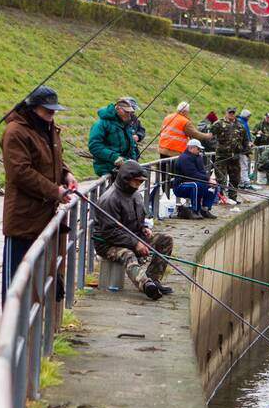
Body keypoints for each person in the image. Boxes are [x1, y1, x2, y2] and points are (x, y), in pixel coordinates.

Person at [0, 85, 77, 302]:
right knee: (15, 280)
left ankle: (30, 329)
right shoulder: (15, 132)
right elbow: (20, 172)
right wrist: (56, 191)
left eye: (54, 111)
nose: (52, 115)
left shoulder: (50, 129)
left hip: (45, 215)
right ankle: (11, 329)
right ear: (33, 108)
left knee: (37, 276)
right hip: (22, 219)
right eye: (48, 110)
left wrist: (66, 175)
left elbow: (51, 161)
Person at [93, 160, 174, 300]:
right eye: (136, 181)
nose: (139, 185)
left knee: (165, 240)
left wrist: (143, 228)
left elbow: (138, 219)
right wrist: (136, 243)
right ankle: (146, 285)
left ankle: (154, 278)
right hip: (108, 243)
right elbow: (110, 232)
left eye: (141, 182)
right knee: (128, 254)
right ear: (126, 179)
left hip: (133, 236)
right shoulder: (109, 199)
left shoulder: (136, 195)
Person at [88, 96, 139, 176]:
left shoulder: (125, 124)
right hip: (107, 169)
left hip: (124, 168)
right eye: (126, 112)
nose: (129, 115)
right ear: (118, 109)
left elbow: (131, 145)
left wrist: (133, 161)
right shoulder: (100, 124)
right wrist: (115, 157)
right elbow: (94, 146)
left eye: (130, 112)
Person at [172, 138, 218, 219]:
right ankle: (194, 210)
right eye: (198, 148)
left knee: (213, 186)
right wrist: (207, 179)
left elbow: (202, 172)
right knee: (196, 186)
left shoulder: (197, 157)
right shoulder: (184, 158)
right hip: (181, 185)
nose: (199, 151)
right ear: (191, 148)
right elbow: (192, 174)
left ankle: (205, 209)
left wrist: (209, 181)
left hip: (195, 182)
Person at [209, 106, 247, 202]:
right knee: (221, 178)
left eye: (233, 112)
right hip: (222, 157)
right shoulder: (218, 124)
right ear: (226, 112)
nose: (231, 114)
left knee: (235, 178)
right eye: (230, 112)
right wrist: (217, 147)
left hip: (235, 157)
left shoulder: (240, 126)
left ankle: (232, 198)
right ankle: (220, 198)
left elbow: (245, 141)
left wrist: (245, 149)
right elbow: (210, 136)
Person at [237, 108, 259, 191]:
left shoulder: (242, 121)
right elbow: (245, 135)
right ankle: (245, 182)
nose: (249, 118)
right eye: (248, 116)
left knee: (243, 165)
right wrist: (249, 143)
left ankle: (242, 182)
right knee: (244, 165)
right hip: (243, 149)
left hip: (243, 147)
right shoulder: (242, 122)